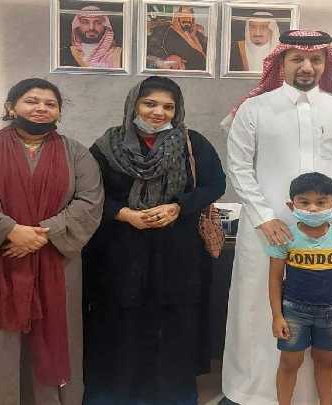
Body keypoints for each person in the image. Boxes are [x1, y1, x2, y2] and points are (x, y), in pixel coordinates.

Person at [223, 30, 332, 405]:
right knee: (259, 308)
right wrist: (263, 217)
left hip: (329, 231)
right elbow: (239, 167)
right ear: (281, 62)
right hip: (267, 230)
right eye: (297, 59)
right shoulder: (254, 108)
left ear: (325, 64)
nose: (307, 66)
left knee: (325, 308)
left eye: (316, 59)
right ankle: (251, 393)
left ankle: (321, 397)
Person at [0, 78, 104, 405]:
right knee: (2, 338)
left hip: (58, 260)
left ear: (59, 112)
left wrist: (41, 234)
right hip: (2, 257)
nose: (41, 108)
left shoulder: (75, 152)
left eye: (50, 104)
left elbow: (90, 201)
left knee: (57, 330)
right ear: (11, 107)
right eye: (31, 101)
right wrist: (9, 229)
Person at [82, 76, 226, 405]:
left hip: (177, 251)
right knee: (120, 322)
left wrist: (179, 207)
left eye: (168, 107)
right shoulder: (106, 146)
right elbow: (90, 193)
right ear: (133, 104)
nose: (159, 112)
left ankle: (172, 396)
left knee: (173, 323)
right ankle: (116, 396)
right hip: (120, 251)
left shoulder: (193, 143)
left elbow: (215, 183)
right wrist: (124, 214)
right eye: (150, 104)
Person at [267, 172, 332, 405]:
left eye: (321, 202)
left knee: (325, 361)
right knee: (289, 362)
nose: (312, 208)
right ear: (291, 205)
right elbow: (275, 278)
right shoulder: (285, 236)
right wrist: (277, 316)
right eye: (304, 202)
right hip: (293, 312)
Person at [146, 6, 207, 71]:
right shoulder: (164, 31)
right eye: (183, 16)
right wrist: (165, 60)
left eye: (189, 16)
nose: (187, 19)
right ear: (177, 17)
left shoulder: (198, 34)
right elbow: (150, 50)